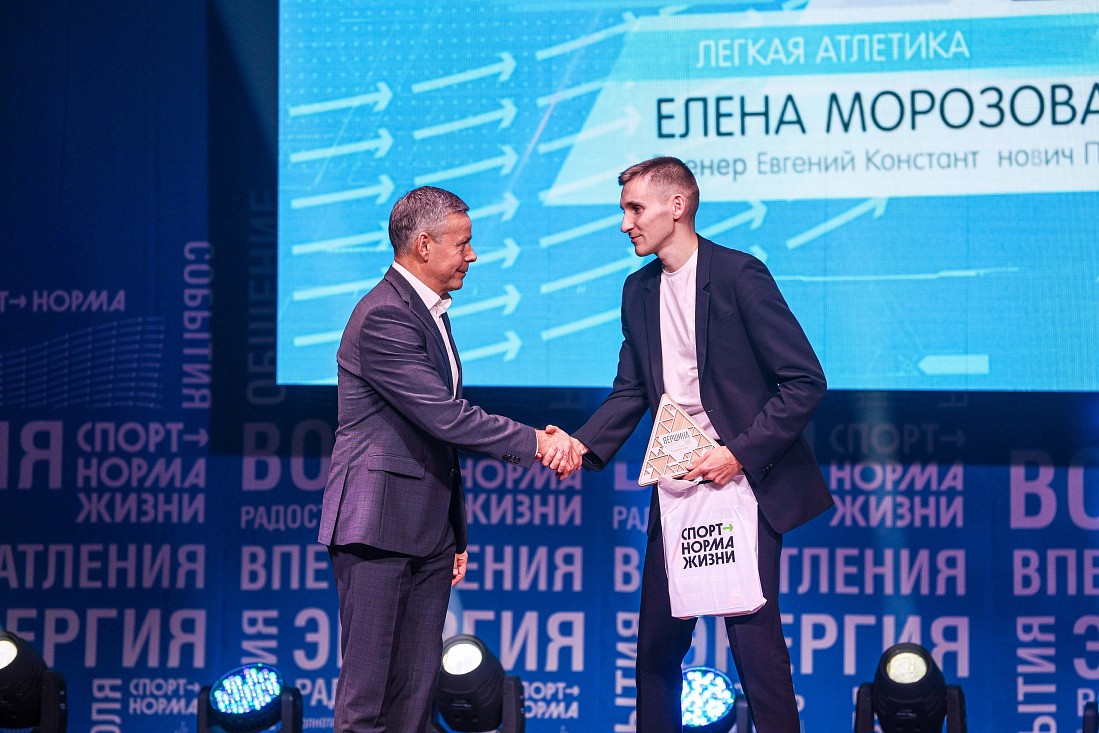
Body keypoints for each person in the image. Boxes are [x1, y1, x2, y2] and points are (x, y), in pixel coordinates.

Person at [561, 157, 833, 731]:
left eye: (635, 209)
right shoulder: (638, 291)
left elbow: (804, 381)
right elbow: (631, 391)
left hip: (744, 480)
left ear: (677, 207)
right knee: (656, 649)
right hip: (679, 485)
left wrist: (738, 454)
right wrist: (580, 447)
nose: (625, 223)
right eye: (624, 211)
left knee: (756, 649)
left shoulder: (738, 275)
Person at [318, 185, 582, 733]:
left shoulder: (428, 312)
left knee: (413, 701)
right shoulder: (384, 316)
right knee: (368, 701)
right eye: (462, 244)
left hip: (427, 532)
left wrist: (452, 533)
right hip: (378, 529)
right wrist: (538, 443)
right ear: (423, 245)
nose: (472, 255)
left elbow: (435, 436)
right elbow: (444, 417)